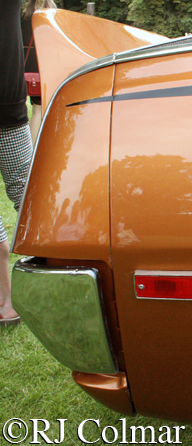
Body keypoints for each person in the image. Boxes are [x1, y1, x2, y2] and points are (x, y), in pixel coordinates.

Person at [0, 0, 34, 326]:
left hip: (10, 106)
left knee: (31, 202)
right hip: (10, 103)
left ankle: (68, 283)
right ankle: (6, 302)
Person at [22, 0, 56, 147]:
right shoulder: (51, 16)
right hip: (43, 66)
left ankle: (29, 148)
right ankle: (35, 148)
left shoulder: (23, 16)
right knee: (39, 110)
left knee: (32, 110)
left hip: (24, 66)